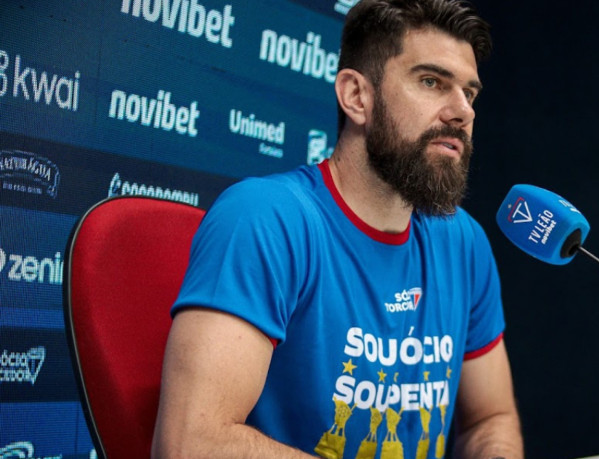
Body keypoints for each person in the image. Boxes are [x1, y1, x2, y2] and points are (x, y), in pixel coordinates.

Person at [151, 0, 523, 457]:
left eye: (470, 93)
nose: (462, 111)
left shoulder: (463, 242)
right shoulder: (266, 218)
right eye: (432, 82)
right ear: (356, 97)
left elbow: (490, 421)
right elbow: (191, 443)